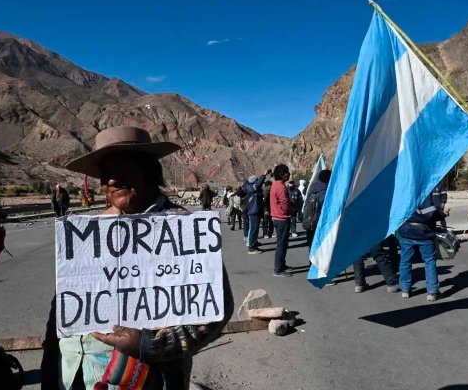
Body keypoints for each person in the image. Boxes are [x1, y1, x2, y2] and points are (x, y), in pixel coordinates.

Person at [41, 126, 234, 389]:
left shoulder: (181, 227)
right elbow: (63, 306)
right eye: (105, 174)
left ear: (148, 170)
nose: (111, 180)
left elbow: (215, 309)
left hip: (149, 378)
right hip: (77, 372)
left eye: (121, 168)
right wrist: (50, 362)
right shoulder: (88, 231)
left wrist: (149, 345)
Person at [398, 192, 449, 302]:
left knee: (405, 260)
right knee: (429, 261)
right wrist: (443, 213)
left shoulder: (405, 191)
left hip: (406, 231)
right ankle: (432, 291)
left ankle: (405, 289)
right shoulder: (424, 192)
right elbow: (427, 214)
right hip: (423, 233)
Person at [236, 171, 271, 254]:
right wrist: (264, 174)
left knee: (255, 229)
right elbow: (259, 183)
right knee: (253, 229)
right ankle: (251, 248)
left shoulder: (248, 187)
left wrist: (240, 187)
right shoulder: (253, 187)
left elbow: (238, 192)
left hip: (254, 210)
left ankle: (254, 245)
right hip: (254, 211)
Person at [270, 164, 293, 277]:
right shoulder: (281, 187)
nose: (289, 174)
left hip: (276, 217)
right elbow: (284, 204)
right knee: (281, 244)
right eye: (287, 172)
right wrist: (291, 210)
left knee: (283, 244)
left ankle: (281, 265)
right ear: (283, 175)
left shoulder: (275, 184)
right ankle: (278, 269)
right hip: (282, 218)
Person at [303, 169, 331, 250]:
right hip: (320, 225)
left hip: (310, 223)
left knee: (312, 248)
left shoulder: (311, 190)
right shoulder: (326, 193)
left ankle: (311, 262)